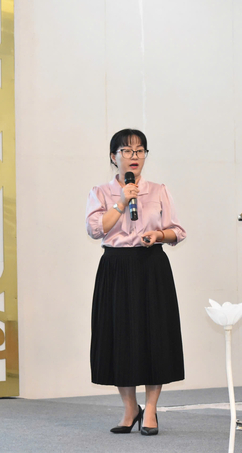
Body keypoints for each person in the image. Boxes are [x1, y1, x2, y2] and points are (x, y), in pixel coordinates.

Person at [85, 129, 186, 436]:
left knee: (155, 335)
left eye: (140, 151)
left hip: (151, 264)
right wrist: (120, 203)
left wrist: (159, 235)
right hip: (116, 267)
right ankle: (130, 409)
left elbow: (177, 231)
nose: (134, 157)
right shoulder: (101, 192)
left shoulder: (159, 190)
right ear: (113, 157)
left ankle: (152, 409)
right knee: (120, 337)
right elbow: (94, 229)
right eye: (127, 152)